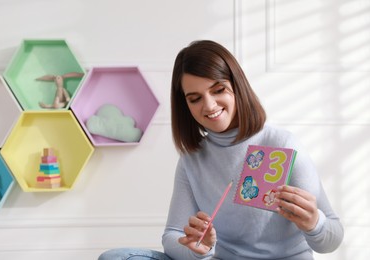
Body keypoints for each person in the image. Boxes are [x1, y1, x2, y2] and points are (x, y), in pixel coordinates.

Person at [98, 40, 344, 260]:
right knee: (116, 258)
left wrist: (315, 223)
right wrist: (197, 249)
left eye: (218, 90)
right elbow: (172, 236)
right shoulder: (192, 158)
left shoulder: (282, 144)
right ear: (186, 105)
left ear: (237, 87)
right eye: (195, 98)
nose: (209, 105)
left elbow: (332, 238)